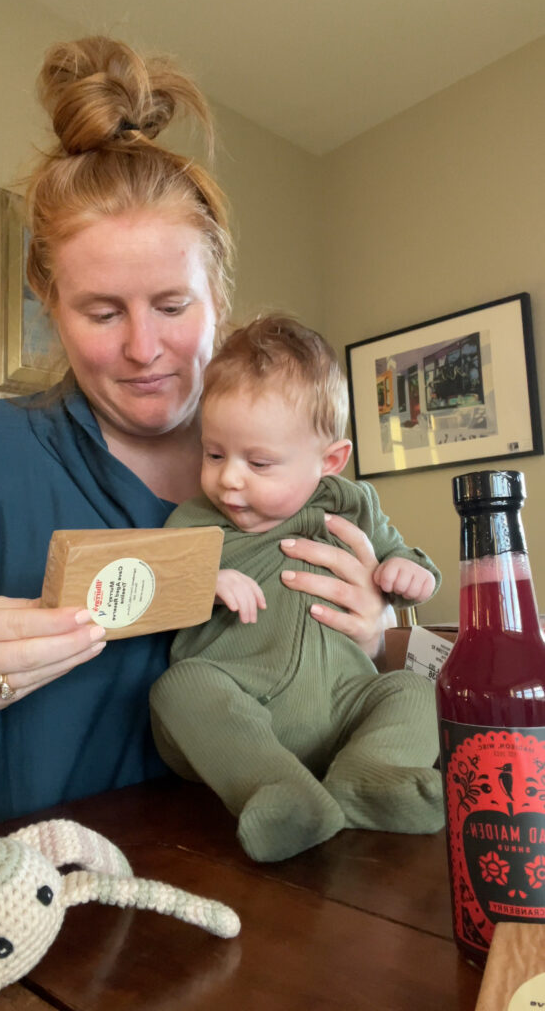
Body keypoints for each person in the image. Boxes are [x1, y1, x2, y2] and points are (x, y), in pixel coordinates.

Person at [0, 38, 392, 827]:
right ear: (49, 303)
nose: (142, 347)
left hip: (269, 893)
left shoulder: (299, 480)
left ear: (219, 298)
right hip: (23, 911)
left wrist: (365, 636)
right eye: (100, 312)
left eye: (171, 306)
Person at [150, 315, 443, 862]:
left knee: (417, 692)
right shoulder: (193, 522)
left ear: (329, 461)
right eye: (214, 454)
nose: (229, 478)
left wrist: (408, 571)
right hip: (235, 706)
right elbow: (156, 589)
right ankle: (275, 793)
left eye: (258, 462)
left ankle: (368, 776)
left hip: (342, 705)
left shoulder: (351, 505)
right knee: (178, 686)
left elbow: (398, 554)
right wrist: (204, 582)